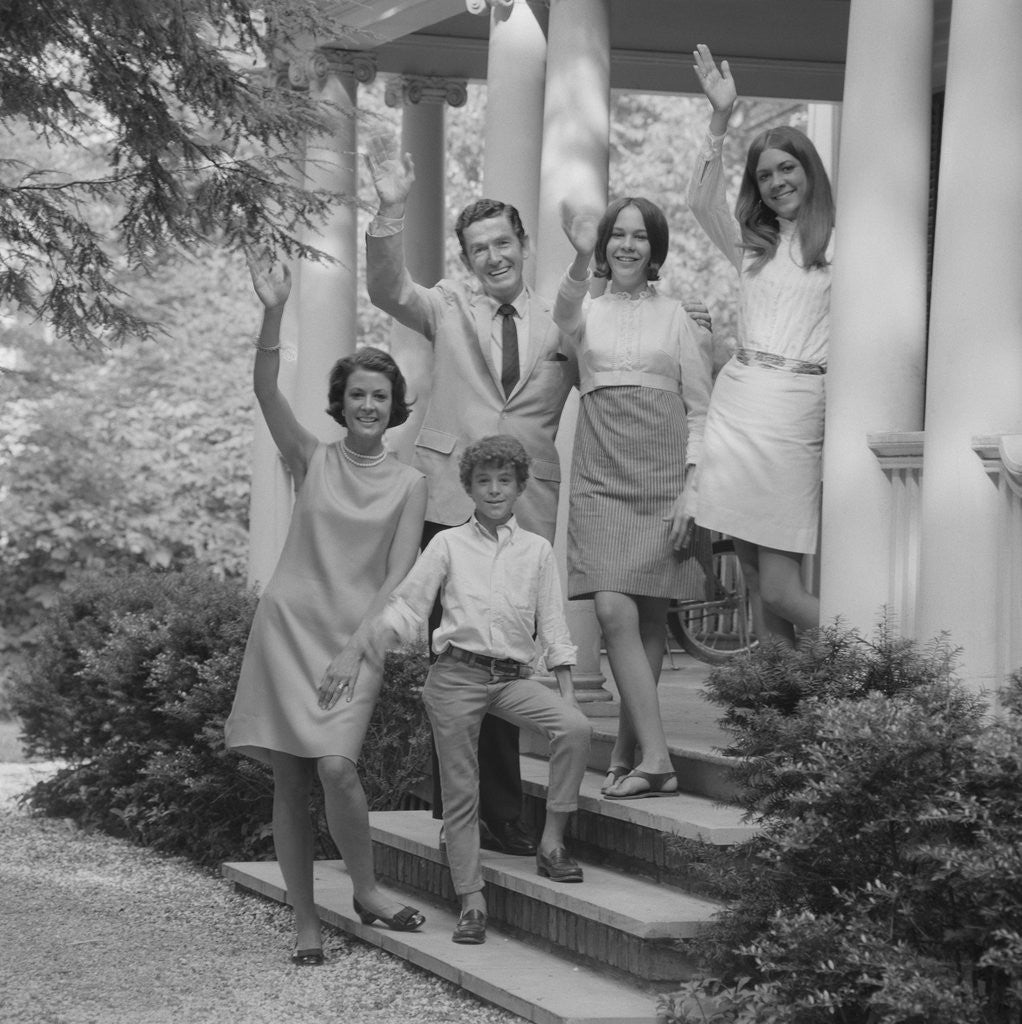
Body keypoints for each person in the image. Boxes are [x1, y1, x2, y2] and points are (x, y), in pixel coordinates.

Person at [364, 136, 579, 857]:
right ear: (466, 258)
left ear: (523, 244)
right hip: (451, 509)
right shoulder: (447, 305)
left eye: (502, 243)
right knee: (461, 665)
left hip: (527, 513)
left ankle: (481, 806)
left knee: (511, 663)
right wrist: (390, 211)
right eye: (478, 248)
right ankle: (490, 813)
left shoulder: (559, 325)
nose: (493, 257)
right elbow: (388, 289)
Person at [224, 257, 429, 965]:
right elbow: (263, 388)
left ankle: (366, 892)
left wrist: (353, 648)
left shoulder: (410, 483)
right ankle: (306, 923)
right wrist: (273, 310)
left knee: (338, 768)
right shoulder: (310, 457)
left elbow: (398, 576)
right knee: (290, 778)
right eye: (358, 395)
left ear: (393, 404)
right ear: (341, 403)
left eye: (381, 396)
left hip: (355, 639)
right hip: (286, 630)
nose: (369, 405)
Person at [338, 435, 592, 946]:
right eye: (484, 481)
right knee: (461, 793)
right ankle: (471, 901)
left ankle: (552, 843)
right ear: (470, 488)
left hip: (510, 679)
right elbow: (410, 605)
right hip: (455, 678)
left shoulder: (537, 550)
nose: (494, 490)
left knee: (576, 729)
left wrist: (567, 694)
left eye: (504, 480)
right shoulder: (448, 544)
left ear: (520, 486)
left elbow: (555, 630)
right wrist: (373, 639)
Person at [554, 199, 714, 799]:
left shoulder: (680, 316)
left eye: (639, 236)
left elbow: (700, 409)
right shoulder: (584, 311)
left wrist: (691, 490)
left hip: (664, 476)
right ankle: (657, 756)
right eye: (616, 235)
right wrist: (576, 251)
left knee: (649, 617)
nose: (627, 245)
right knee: (613, 610)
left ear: (656, 247)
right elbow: (563, 310)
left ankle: (629, 751)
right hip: (600, 473)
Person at [687, 44, 835, 647]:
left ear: (810, 172)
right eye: (765, 175)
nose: (776, 184)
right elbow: (700, 202)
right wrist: (720, 121)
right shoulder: (754, 247)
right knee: (752, 578)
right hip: (737, 407)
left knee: (781, 588)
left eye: (786, 170)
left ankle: (898, 651)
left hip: (794, 413)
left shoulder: (842, 247)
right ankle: (780, 724)